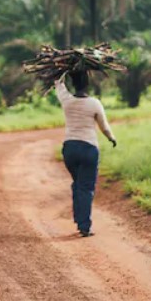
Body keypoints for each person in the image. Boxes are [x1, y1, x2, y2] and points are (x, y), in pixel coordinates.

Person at [55, 70, 117, 237]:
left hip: (70, 149)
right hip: (89, 149)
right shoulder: (94, 103)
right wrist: (112, 138)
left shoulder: (66, 100)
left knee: (78, 184)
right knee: (85, 187)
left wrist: (63, 70)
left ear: (73, 84)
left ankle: (79, 218)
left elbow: (58, 85)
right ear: (87, 83)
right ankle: (84, 226)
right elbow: (104, 127)